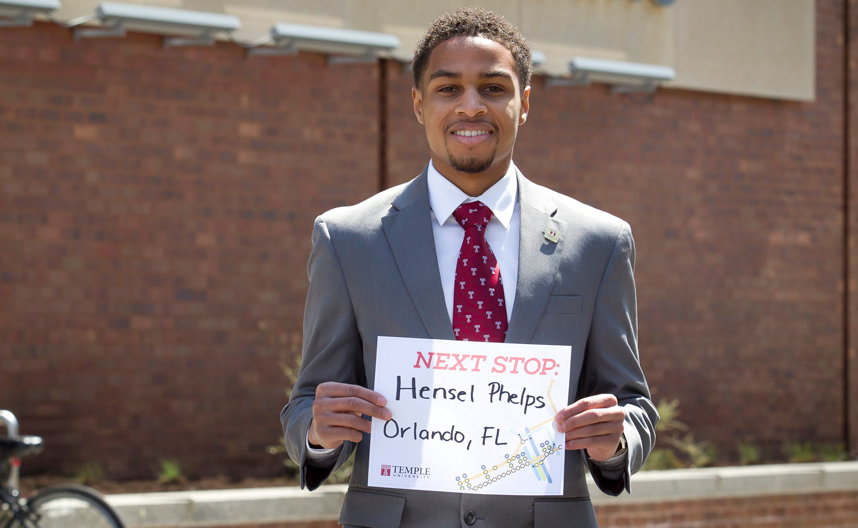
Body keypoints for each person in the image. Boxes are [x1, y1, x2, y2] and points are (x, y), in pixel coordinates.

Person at [281, 7, 658, 527]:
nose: (471, 106)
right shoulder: (348, 239)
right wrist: (318, 433)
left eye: (494, 88)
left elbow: (634, 405)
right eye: (448, 89)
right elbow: (306, 405)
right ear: (418, 104)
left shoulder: (599, 243)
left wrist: (616, 440)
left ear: (524, 104)